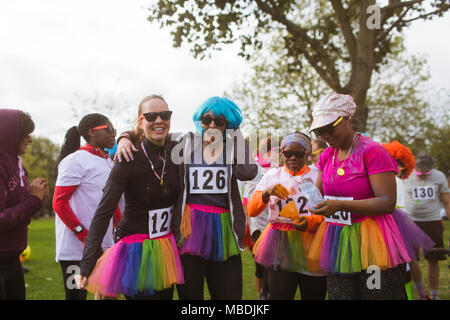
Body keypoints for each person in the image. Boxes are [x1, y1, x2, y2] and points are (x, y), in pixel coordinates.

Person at [116, 96, 258, 300]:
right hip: (189, 230)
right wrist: (124, 138)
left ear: (228, 124)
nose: (211, 125)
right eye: (206, 120)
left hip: (223, 230)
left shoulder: (232, 147)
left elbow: (248, 172)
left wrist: (236, 135)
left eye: (219, 121)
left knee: (229, 294)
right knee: (190, 295)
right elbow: (147, 132)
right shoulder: (184, 142)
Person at [307, 93, 434, 300]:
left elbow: (386, 203)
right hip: (339, 239)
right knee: (342, 295)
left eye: (328, 129)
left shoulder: (372, 151)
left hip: (374, 239)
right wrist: (313, 200)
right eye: (319, 131)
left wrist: (339, 205)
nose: (324, 136)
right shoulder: (326, 155)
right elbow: (320, 194)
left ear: (346, 120)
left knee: (375, 293)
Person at [77, 95, 184, 300]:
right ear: (140, 121)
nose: (159, 120)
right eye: (151, 116)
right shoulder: (127, 158)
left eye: (165, 115)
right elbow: (104, 211)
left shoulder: (175, 151)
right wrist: (87, 263)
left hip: (165, 247)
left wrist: (124, 136)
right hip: (136, 251)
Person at [247, 132, 327, 300]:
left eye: (298, 154)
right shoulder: (271, 175)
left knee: (314, 294)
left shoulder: (317, 175)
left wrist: (309, 222)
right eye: (288, 153)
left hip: (311, 241)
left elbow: (325, 211)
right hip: (280, 242)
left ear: (307, 153)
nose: (292, 158)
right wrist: (267, 193)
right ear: (281, 152)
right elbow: (252, 210)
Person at [52, 113, 121, 300]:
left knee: (109, 295)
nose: (114, 134)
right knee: (76, 297)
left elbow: (108, 200)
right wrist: (83, 234)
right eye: (109, 129)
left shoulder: (107, 161)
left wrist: (120, 225)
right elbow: (59, 202)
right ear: (92, 132)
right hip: (75, 248)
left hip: (104, 243)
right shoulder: (75, 161)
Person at [0, 109, 49, 300]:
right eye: (24, 134)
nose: (30, 139)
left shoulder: (15, 164)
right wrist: (34, 200)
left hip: (11, 260)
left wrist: (32, 194)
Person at [403, 153, 450, 300]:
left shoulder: (439, 176)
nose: (423, 174)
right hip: (411, 221)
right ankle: (421, 293)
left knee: (434, 258)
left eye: (426, 171)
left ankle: (434, 294)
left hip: (433, 221)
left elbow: (446, 201)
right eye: (420, 171)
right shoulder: (406, 175)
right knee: (412, 259)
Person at [242, 136, 279, 299]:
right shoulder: (254, 168)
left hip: (276, 221)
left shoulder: (281, 169)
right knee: (261, 264)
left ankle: (268, 294)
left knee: (272, 264)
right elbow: (246, 196)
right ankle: (261, 296)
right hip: (257, 221)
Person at [381, 140, 416, 299]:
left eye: (400, 164)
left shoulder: (394, 181)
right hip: (397, 230)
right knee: (400, 271)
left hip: (391, 230)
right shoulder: (397, 181)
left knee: (391, 272)